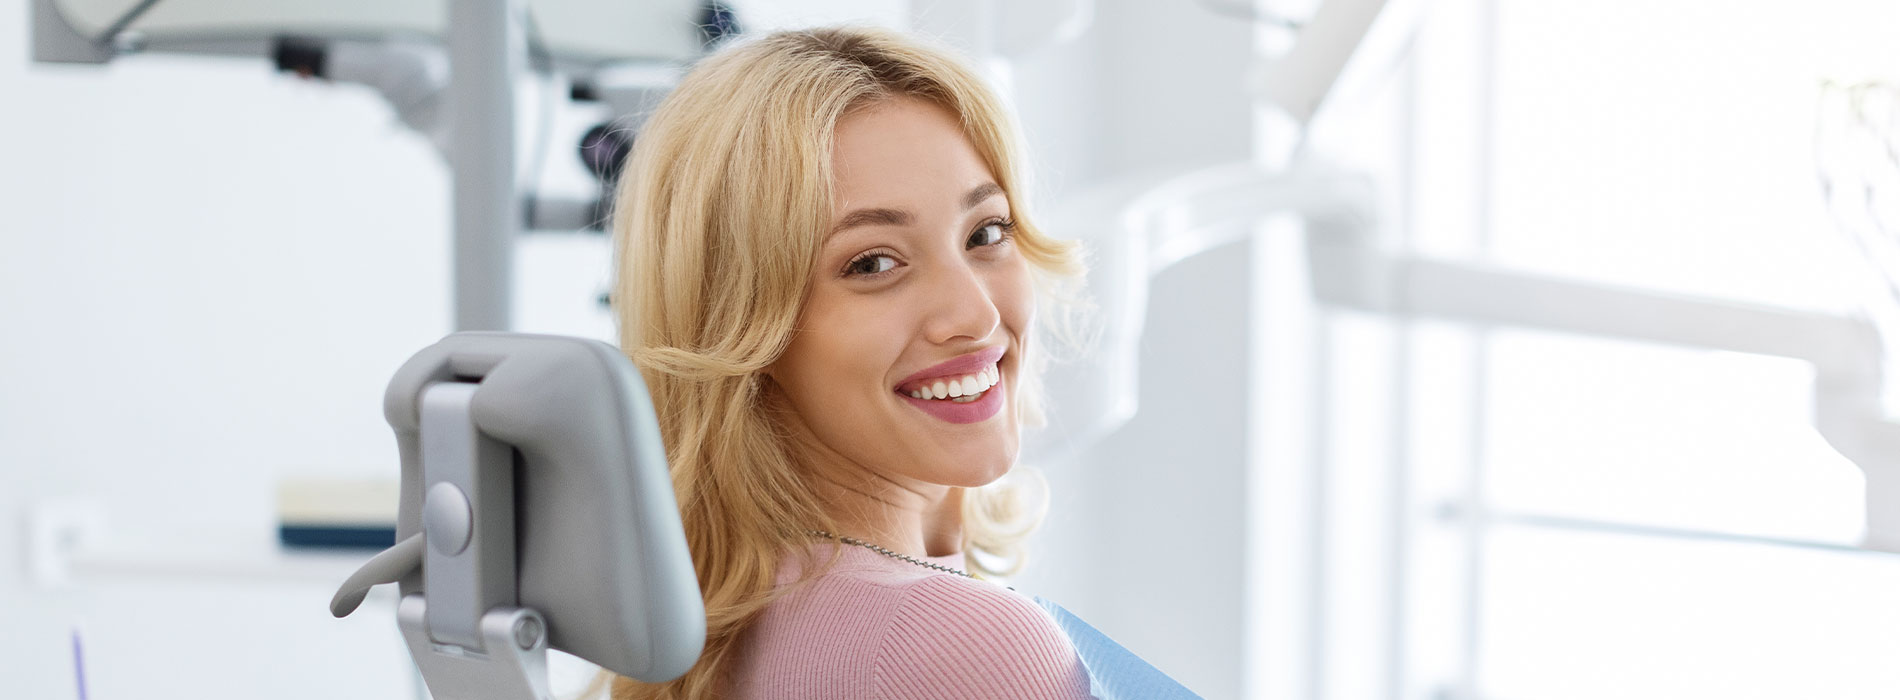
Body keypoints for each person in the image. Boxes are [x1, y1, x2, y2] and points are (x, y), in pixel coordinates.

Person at [606, 25, 1090, 699]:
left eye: (986, 233)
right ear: (745, 327)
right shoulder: (965, 648)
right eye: (874, 263)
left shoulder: (723, 623)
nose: (975, 314)